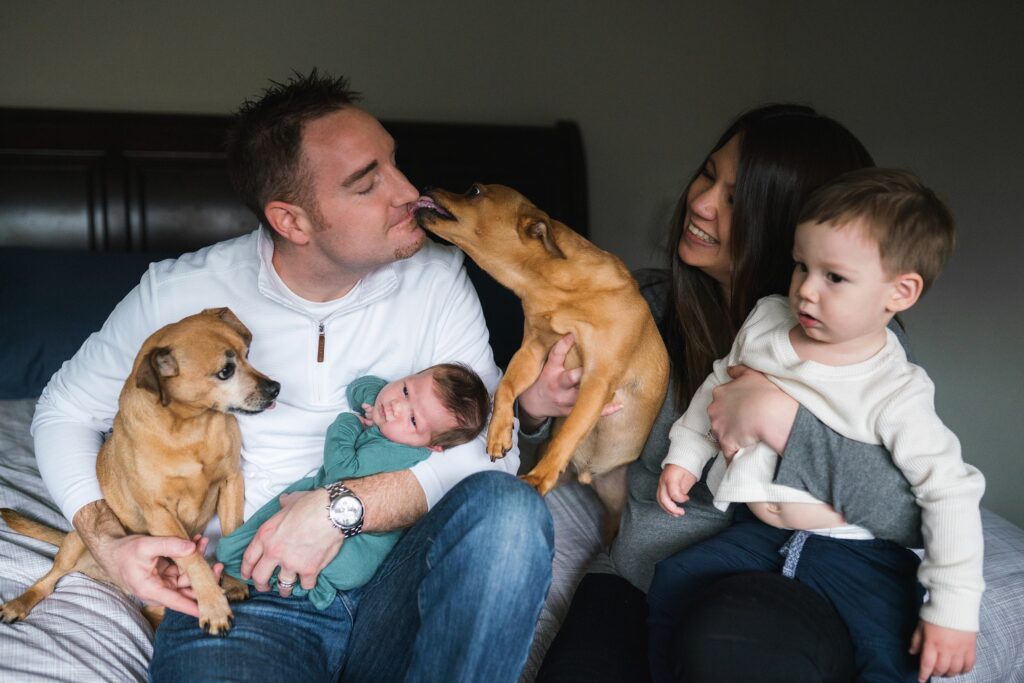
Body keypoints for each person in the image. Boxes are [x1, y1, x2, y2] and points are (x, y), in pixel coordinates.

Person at [32, 70, 554, 682]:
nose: (409, 191)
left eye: (395, 164)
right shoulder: (180, 295)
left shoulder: (436, 278)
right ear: (293, 221)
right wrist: (109, 544)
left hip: (398, 570)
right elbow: (63, 413)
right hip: (248, 590)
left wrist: (342, 507)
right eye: (368, 184)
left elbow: (493, 449)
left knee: (510, 513)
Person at [527, 105, 928, 682]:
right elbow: (533, 462)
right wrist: (540, 409)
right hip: (638, 575)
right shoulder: (640, 308)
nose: (701, 202)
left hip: (775, 589)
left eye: (736, 198)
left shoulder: (862, 349)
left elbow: (909, 513)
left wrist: (781, 420)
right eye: (708, 175)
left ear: (794, 222)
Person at [650, 168, 984, 682]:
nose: (806, 291)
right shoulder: (766, 320)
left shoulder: (897, 388)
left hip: (855, 553)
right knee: (674, 577)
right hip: (756, 533)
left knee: (893, 655)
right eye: (801, 267)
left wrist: (954, 613)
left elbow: (948, 493)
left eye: (834, 277)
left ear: (900, 291)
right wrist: (686, 455)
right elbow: (717, 386)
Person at [217, 363, 491, 606]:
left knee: (238, 551)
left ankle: (312, 589)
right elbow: (361, 388)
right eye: (406, 390)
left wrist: (347, 423)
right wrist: (378, 403)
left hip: (359, 547)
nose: (397, 406)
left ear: (434, 445)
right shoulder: (393, 422)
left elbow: (341, 470)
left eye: (413, 419)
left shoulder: (396, 451)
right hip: (322, 503)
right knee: (241, 544)